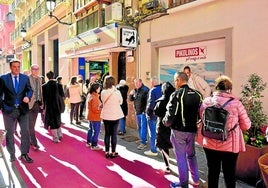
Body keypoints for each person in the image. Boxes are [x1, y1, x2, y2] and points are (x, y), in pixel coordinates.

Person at [198, 75, 251, 188]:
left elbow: (202, 118)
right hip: (230, 145)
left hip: (210, 143)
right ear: (229, 89)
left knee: (212, 172)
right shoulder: (236, 104)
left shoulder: (207, 101)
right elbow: (246, 125)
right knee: (229, 174)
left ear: (216, 88)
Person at [163, 71, 202, 188]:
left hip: (179, 131)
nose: (175, 83)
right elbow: (201, 112)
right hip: (192, 130)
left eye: (175, 80)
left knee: (181, 157)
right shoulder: (197, 94)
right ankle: (195, 179)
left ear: (179, 80)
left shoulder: (176, 94)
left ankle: (183, 184)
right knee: (191, 155)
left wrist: (165, 123)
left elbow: (170, 115)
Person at [0, 58, 33, 163]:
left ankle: (24, 154)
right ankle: (12, 154)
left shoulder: (25, 78)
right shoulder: (3, 78)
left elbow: (30, 89)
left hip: (23, 109)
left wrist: (28, 96)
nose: (16, 69)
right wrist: (2, 107)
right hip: (8, 110)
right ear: (10, 67)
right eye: (14, 67)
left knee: (25, 132)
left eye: (18, 67)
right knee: (9, 133)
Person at [154, 81, 175, 173]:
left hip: (162, 127)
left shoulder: (161, 101)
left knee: (163, 146)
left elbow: (156, 112)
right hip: (173, 126)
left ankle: (167, 166)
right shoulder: (175, 99)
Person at [100, 75, 124, 158]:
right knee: (114, 134)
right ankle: (113, 152)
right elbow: (121, 102)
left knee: (107, 134)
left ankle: (107, 151)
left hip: (106, 115)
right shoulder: (117, 92)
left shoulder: (103, 92)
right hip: (115, 115)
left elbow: (103, 101)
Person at [42, 71, 64, 143]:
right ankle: (60, 134)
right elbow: (62, 96)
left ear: (47, 77)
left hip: (49, 106)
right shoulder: (59, 85)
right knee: (58, 119)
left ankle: (55, 137)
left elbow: (43, 98)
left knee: (52, 121)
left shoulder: (44, 86)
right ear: (54, 76)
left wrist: (44, 107)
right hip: (58, 105)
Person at [129, 78, 149, 150]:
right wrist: (131, 94)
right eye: (135, 83)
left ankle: (143, 143)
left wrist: (145, 111)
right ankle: (142, 140)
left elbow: (148, 102)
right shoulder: (136, 90)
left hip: (143, 112)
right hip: (137, 111)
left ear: (141, 82)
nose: (136, 84)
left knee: (143, 128)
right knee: (139, 127)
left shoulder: (145, 90)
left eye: (137, 83)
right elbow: (131, 99)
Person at [144, 76, 162, 156]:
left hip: (152, 115)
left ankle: (153, 150)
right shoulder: (162, 89)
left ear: (153, 82)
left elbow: (151, 103)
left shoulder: (153, 90)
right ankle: (158, 147)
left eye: (151, 82)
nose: (150, 84)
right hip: (160, 114)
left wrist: (147, 112)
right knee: (158, 132)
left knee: (152, 133)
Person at [28, 64, 43, 150]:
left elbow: (40, 91)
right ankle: (34, 143)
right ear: (31, 70)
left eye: (37, 69)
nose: (36, 71)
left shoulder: (40, 79)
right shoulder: (27, 79)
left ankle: (29, 138)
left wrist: (41, 102)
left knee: (32, 124)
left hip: (37, 103)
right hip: (29, 104)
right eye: (34, 69)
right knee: (31, 125)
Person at [86, 82, 102, 150]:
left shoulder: (91, 95)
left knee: (91, 129)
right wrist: (101, 108)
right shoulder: (94, 97)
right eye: (99, 88)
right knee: (96, 131)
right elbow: (95, 109)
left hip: (91, 116)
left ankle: (89, 142)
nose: (100, 89)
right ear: (96, 89)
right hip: (95, 117)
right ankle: (94, 145)